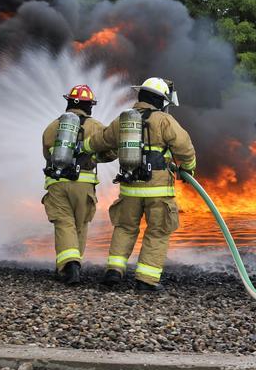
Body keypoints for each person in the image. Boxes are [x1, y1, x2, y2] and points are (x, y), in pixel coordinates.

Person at [81, 77, 196, 292]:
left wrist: (83, 148)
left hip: (129, 188)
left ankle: (114, 271)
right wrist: (189, 168)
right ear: (161, 100)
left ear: (141, 96)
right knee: (158, 231)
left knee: (124, 228)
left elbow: (101, 140)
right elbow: (185, 147)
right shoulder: (164, 120)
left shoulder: (124, 119)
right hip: (158, 190)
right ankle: (146, 279)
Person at [42, 84, 115, 285]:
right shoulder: (97, 127)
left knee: (63, 223)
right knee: (80, 225)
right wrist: (94, 158)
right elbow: (111, 152)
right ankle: (75, 264)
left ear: (68, 103)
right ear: (89, 106)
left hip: (57, 183)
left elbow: (47, 154)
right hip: (83, 184)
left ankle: (68, 266)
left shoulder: (52, 127)